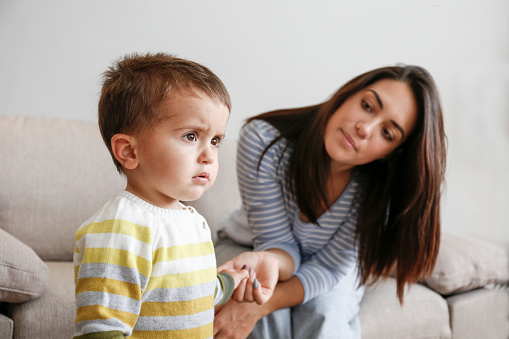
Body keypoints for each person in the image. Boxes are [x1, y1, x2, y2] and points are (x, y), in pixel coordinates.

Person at [213, 65, 447, 339]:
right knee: (253, 295)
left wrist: (260, 307)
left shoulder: (377, 192)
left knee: (324, 312)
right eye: (367, 105)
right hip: (254, 246)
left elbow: (328, 269)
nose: (364, 128)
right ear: (347, 94)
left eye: (387, 134)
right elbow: (275, 245)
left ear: (392, 152)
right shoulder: (263, 140)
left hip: (328, 267)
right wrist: (261, 299)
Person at [73, 53, 273, 339]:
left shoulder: (190, 221)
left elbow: (192, 295)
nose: (209, 156)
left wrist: (229, 281)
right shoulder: (120, 228)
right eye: (191, 136)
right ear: (129, 151)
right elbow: (101, 330)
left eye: (215, 140)